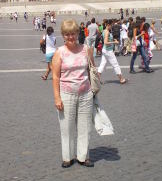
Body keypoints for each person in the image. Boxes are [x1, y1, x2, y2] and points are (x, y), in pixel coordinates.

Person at [52, 19, 95, 168]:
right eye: (67, 34)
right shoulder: (59, 53)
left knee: (85, 127)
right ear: (63, 35)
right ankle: (68, 156)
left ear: (78, 33)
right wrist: (57, 97)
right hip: (66, 94)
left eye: (73, 33)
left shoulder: (86, 49)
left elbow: (91, 69)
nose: (71, 37)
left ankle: (83, 156)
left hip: (85, 94)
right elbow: (56, 76)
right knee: (67, 127)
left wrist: (93, 89)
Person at [97, 20, 127, 84]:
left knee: (102, 64)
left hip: (105, 50)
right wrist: (114, 42)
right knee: (115, 65)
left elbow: (106, 39)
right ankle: (121, 79)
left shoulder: (104, 31)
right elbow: (105, 42)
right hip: (108, 51)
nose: (112, 27)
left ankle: (96, 80)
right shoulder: (107, 32)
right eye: (111, 25)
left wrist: (113, 39)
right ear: (108, 25)